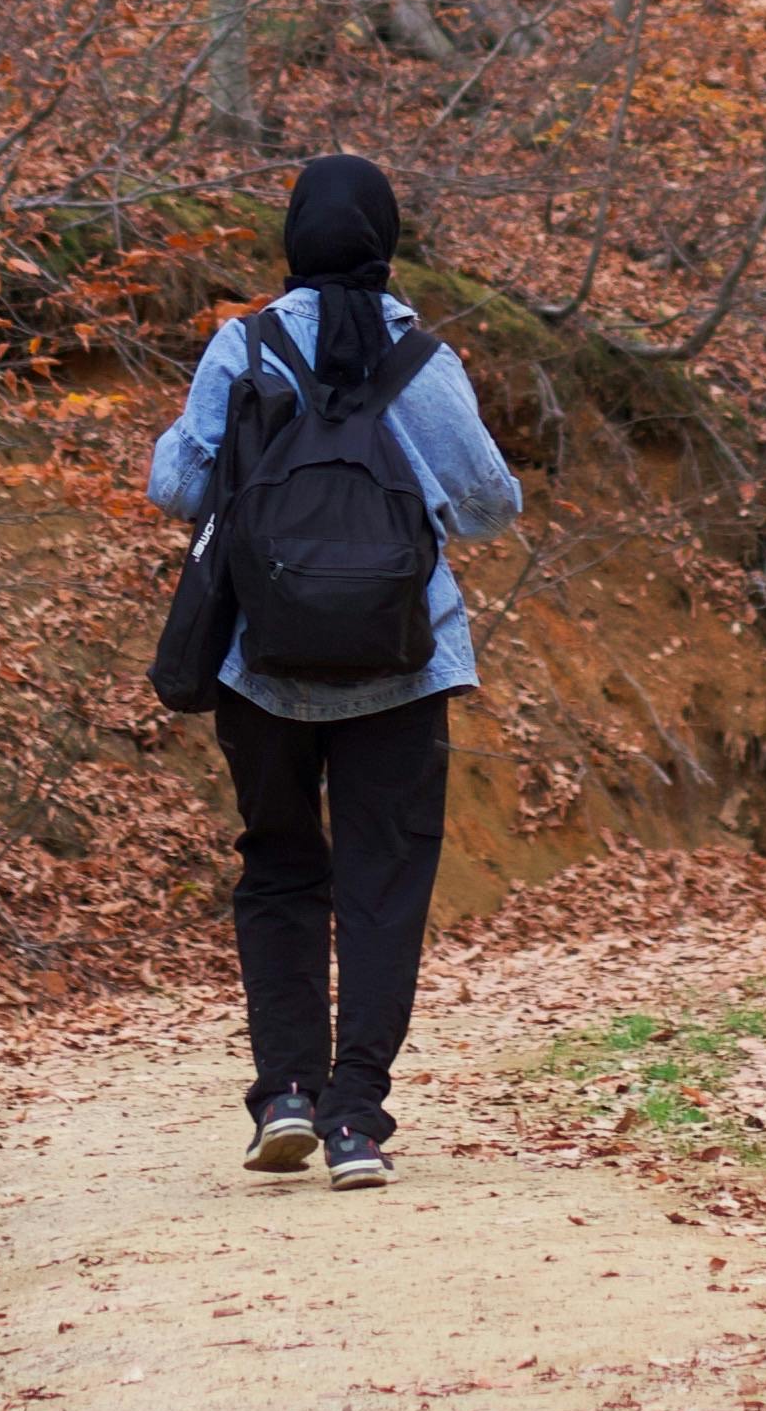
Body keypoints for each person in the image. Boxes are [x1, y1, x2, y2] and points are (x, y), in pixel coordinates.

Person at [147, 151, 521, 1188]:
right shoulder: (422, 359)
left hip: (259, 656)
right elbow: (492, 504)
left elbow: (174, 481)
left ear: (295, 238)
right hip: (405, 657)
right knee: (383, 883)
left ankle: (286, 1096)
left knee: (278, 865)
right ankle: (357, 1116)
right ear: (385, 240)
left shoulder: (246, 342)